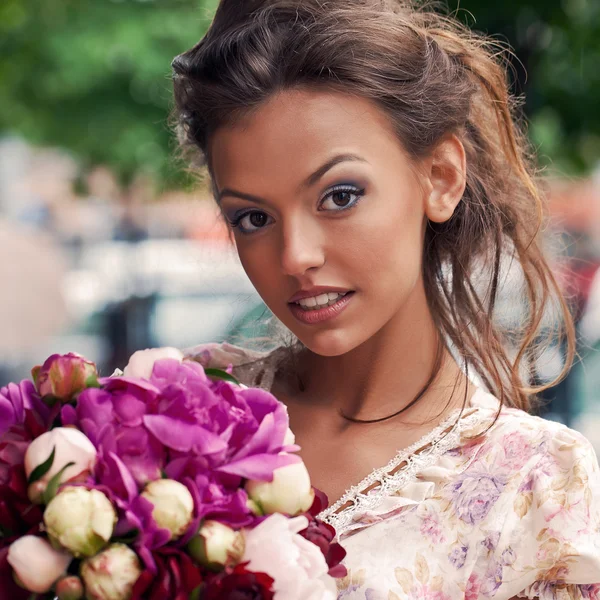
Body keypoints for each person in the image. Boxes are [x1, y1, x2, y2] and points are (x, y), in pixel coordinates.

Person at [171, 1, 600, 597]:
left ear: (441, 177)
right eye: (252, 217)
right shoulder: (186, 417)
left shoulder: (536, 487)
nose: (296, 255)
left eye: (340, 195)